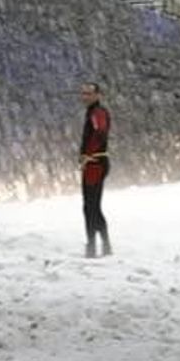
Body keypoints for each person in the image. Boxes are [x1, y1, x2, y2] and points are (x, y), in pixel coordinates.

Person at [79, 82, 111, 258]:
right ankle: (103, 245)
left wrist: (88, 154)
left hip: (95, 164)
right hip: (94, 163)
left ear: (98, 95)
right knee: (91, 206)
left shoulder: (97, 113)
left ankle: (94, 246)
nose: (85, 97)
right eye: (83, 93)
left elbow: (100, 133)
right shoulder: (93, 112)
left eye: (89, 93)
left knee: (91, 206)